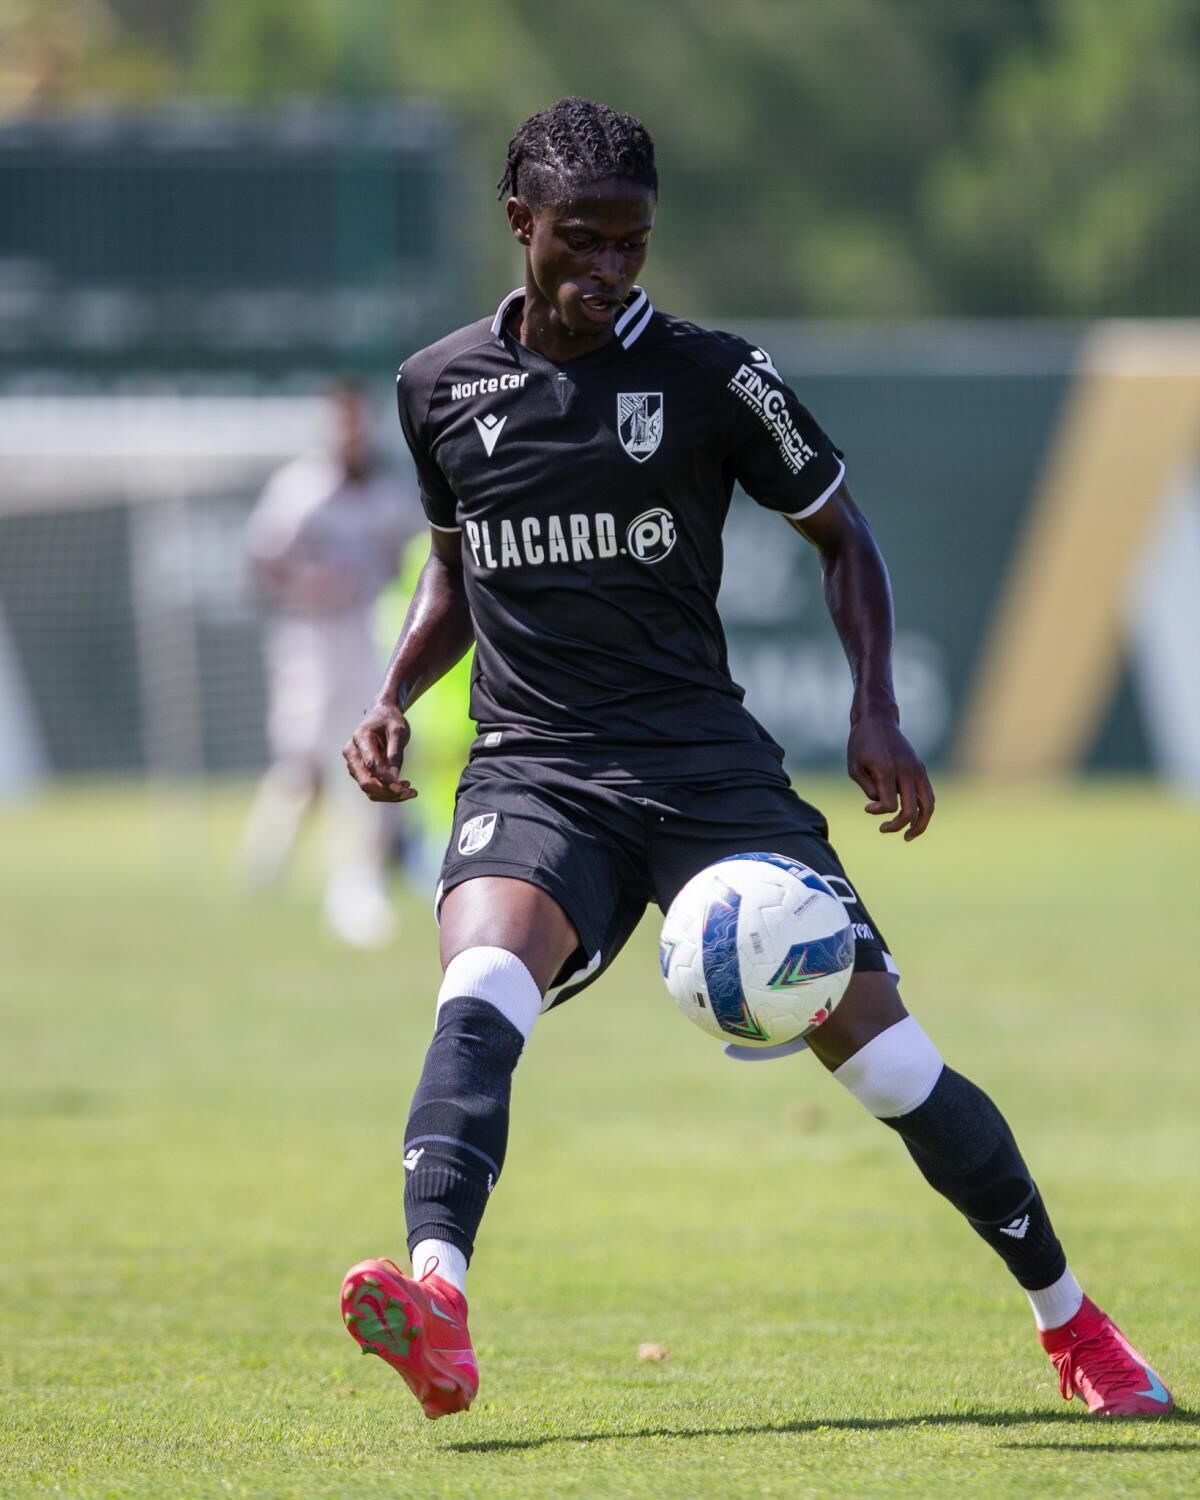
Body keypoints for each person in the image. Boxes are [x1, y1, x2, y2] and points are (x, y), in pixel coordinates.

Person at [338, 99, 1173, 1420]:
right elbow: (456, 574)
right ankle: (437, 1300)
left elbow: (844, 538)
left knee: (892, 1065)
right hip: (537, 768)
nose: (610, 267)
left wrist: (874, 708)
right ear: (520, 224)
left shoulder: (717, 377)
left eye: (632, 241)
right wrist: (391, 695)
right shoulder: (437, 386)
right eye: (582, 239)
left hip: (708, 774)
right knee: (480, 984)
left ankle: (1075, 1325)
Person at [239, 380, 422, 947]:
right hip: (311, 637)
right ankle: (265, 864)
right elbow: (263, 563)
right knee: (304, 762)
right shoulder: (300, 489)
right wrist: (310, 583)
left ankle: (359, 877)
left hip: (371, 632)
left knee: (373, 751)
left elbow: (418, 556)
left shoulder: (390, 491)